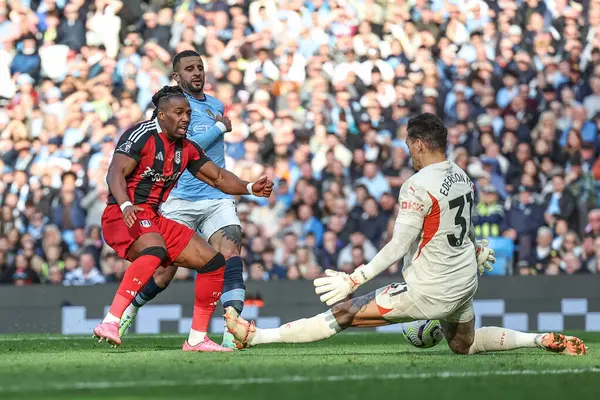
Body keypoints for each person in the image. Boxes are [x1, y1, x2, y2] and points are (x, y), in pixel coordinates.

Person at [224, 113, 587, 356]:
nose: (407, 151)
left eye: (407, 145)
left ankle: (256, 336)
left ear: (417, 144)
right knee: (465, 344)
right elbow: (455, 229)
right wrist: (475, 249)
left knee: (345, 313)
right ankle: (537, 339)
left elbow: (399, 245)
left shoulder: (417, 185)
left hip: (429, 290)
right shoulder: (461, 175)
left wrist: (356, 277)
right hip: (463, 283)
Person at [93, 85, 273, 350]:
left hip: (153, 218)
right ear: (161, 115)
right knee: (155, 250)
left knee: (213, 263)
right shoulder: (141, 134)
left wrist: (248, 188)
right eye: (179, 112)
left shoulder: (185, 147)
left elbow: (218, 177)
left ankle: (197, 338)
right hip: (122, 215)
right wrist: (125, 205)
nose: (186, 118)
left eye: (188, 113)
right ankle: (111, 320)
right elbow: (114, 173)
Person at [119, 50, 247, 350]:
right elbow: (187, 147)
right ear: (176, 77)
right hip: (179, 198)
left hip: (215, 197)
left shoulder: (216, 105)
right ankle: (130, 309)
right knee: (164, 272)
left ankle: (232, 329)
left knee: (230, 250)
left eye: (200, 67)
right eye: (189, 69)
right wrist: (219, 127)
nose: (197, 73)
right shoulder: (175, 110)